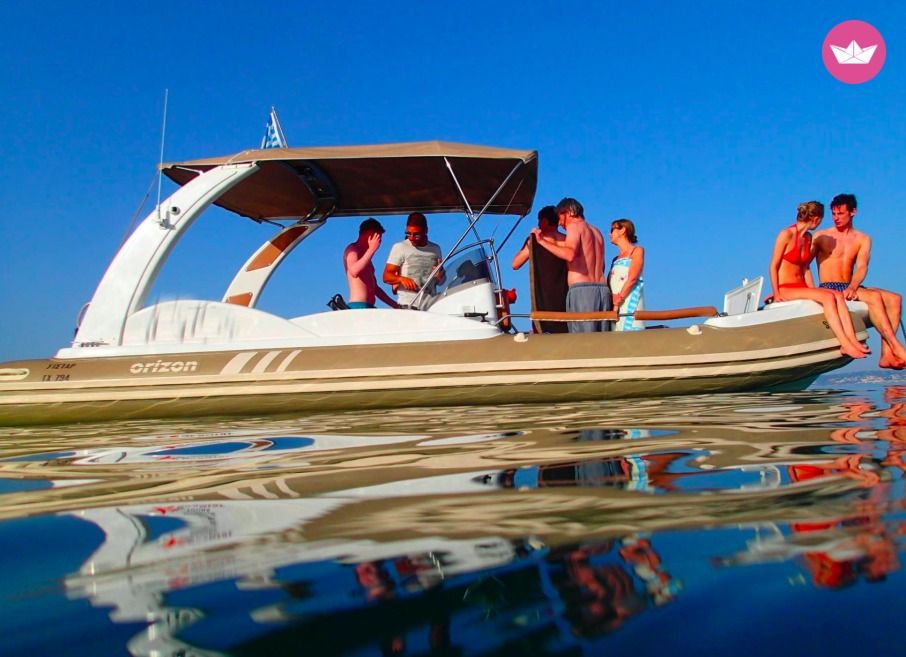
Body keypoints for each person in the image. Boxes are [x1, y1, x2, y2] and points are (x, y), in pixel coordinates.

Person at [814, 194, 906, 369]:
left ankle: (886, 355)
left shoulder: (862, 239)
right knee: (875, 298)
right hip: (830, 286)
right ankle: (897, 347)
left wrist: (853, 286)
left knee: (895, 299)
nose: (836, 218)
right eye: (833, 214)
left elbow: (862, 267)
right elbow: (801, 262)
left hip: (850, 286)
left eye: (840, 213)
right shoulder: (822, 236)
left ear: (853, 212)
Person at [769, 200, 866, 360]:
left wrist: (813, 290)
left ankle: (852, 340)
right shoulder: (786, 234)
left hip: (801, 287)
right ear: (816, 219)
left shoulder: (808, 237)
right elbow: (773, 266)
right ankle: (844, 344)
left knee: (837, 295)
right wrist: (776, 293)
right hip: (785, 287)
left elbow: (806, 268)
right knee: (828, 297)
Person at [532, 197, 609, 333]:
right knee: (601, 339)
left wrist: (541, 241)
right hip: (602, 290)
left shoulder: (574, 227)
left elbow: (570, 254)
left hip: (582, 291)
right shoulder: (596, 231)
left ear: (567, 212)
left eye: (560, 217)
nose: (560, 223)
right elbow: (602, 264)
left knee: (583, 341)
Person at [512, 205, 568, 333]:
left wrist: (529, 244)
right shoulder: (567, 240)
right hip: (565, 293)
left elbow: (515, 264)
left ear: (544, 221)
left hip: (542, 295)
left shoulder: (534, 241)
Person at [382, 212, 445, 308]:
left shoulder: (435, 249)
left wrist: (440, 277)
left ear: (426, 231)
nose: (411, 238)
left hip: (431, 306)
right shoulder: (400, 247)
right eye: (408, 234)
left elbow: (441, 281)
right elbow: (386, 276)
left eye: (416, 235)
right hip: (407, 305)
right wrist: (401, 279)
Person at [343, 218, 398, 309]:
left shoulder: (366, 257)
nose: (379, 242)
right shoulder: (352, 249)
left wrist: (394, 305)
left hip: (369, 306)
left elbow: (375, 288)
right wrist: (371, 249)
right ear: (370, 234)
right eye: (378, 238)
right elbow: (354, 271)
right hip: (358, 305)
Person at [607, 219, 645, 331]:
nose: (610, 234)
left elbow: (633, 277)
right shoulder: (614, 259)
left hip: (630, 302)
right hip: (615, 307)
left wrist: (618, 300)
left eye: (612, 230)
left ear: (623, 230)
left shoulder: (637, 251)